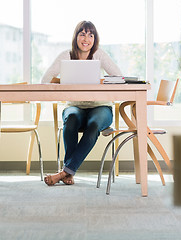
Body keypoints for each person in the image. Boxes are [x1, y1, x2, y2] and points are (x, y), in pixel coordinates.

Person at [41, 20, 122, 186]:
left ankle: (65, 172)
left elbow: (119, 77)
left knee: (93, 126)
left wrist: (101, 82)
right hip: (75, 107)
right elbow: (45, 80)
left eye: (91, 35)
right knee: (70, 121)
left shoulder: (99, 54)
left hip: (101, 107)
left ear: (95, 39)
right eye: (83, 34)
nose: (87, 38)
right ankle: (68, 173)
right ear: (76, 36)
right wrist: (62, 83)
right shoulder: (66, 55)